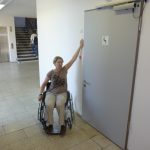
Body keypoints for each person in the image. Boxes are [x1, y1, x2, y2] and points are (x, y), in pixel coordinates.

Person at [38, 39, 84, 135]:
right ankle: (50, 124)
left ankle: (62, 125)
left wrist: (80, 47)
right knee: (49, 104)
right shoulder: (50, 72)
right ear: (54, 63)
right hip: (51, 92)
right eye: (58, 62)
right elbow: (43, 84)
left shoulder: (65, 69)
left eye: (61, 62)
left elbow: (73, 59)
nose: (60, 63)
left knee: (60, 104)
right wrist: (40, 94)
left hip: (62, 93)